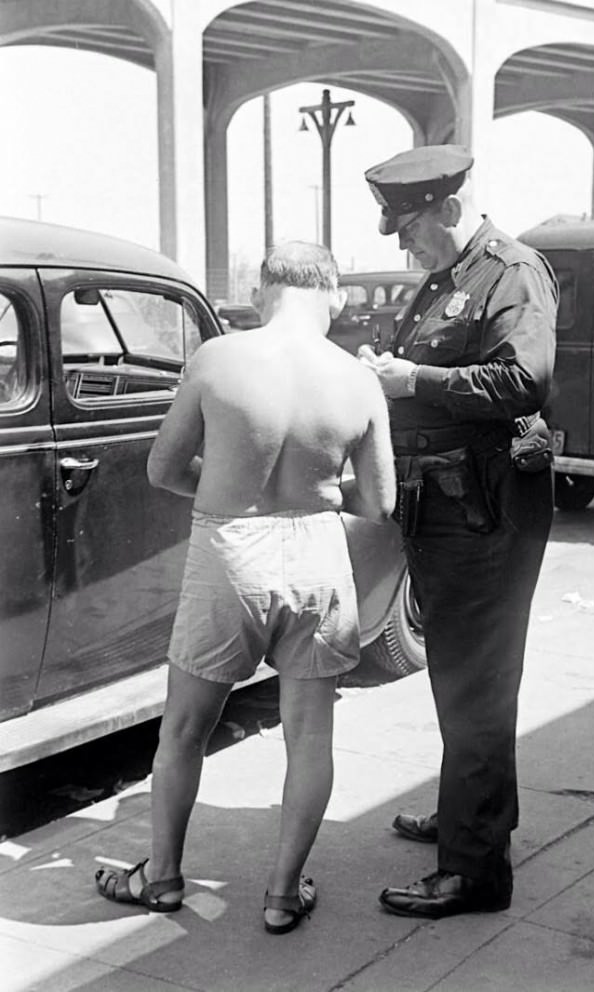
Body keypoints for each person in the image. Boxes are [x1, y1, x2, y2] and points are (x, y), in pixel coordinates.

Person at [94, 241, 396, 934]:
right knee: (310, 732)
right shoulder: (356, 380)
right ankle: (283, 895)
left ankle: (162, 878)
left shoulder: (220, 359)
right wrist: (311, 492)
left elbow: (163, 468)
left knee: (184, 728)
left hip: (230, 550)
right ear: (336, 294)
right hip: (319, 553)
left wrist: (233, 491)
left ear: (263, 291)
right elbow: (378, 505)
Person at [360, 144, 558, 919]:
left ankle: (474, 873)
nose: (403, 244)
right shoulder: (447, 281)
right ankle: (473, 817)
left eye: (408, 228)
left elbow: (522, 380)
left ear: (447, 209)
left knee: (474, 683)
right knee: (461, 677)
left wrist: (414, 380)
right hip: (446, 506)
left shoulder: (510, 272)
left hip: (485, 509)